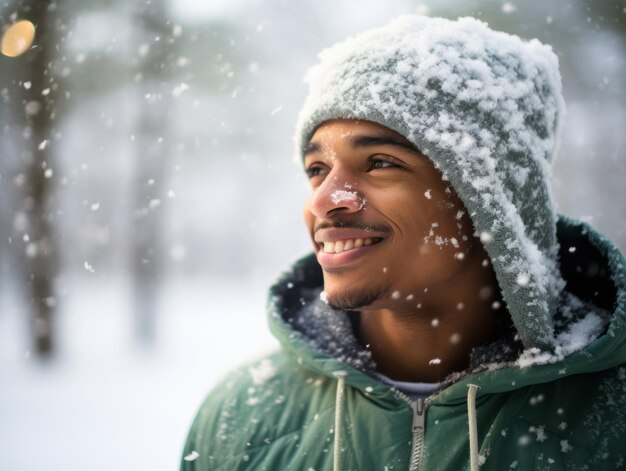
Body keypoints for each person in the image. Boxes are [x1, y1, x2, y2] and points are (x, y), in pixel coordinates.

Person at [181, 16, 626, 470]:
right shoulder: (241, 417)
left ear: (490, 198)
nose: (323, 200)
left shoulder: (612, 418)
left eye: (378, 162)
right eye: (317, 168)